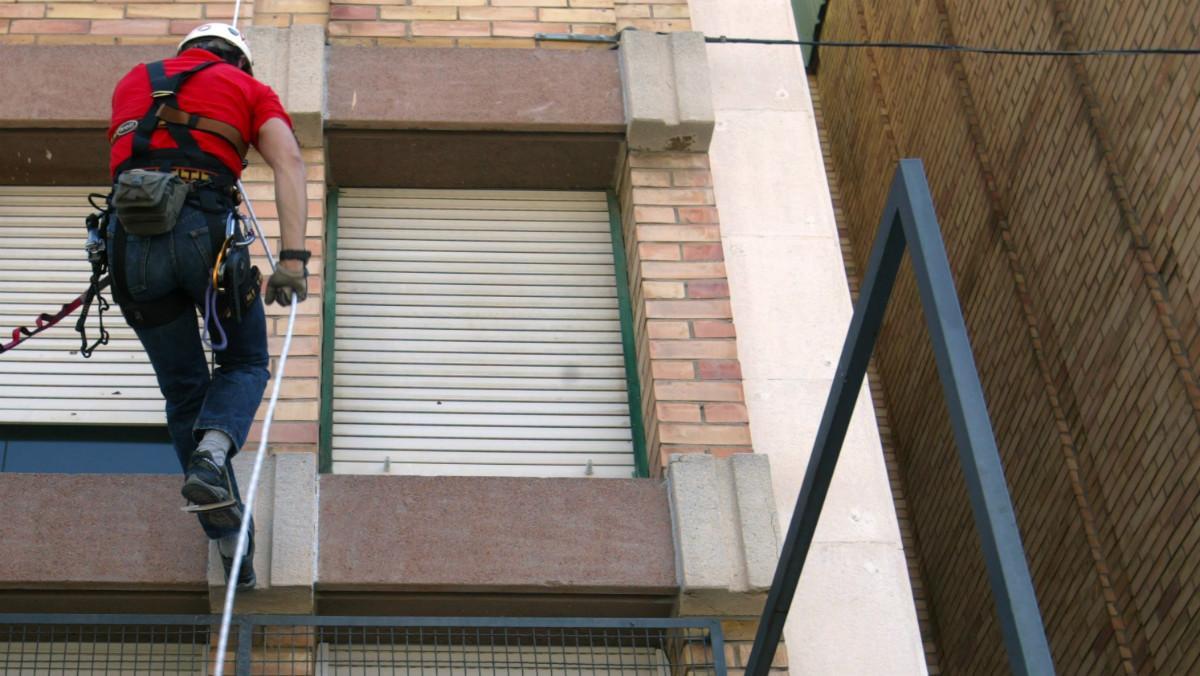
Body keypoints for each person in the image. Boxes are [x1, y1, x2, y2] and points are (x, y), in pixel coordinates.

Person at [106, 23, 309, 590]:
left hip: (130, 247)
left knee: (183, 389)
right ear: (239, 62)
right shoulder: (248, 88)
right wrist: (292, 260)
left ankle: (224, 535)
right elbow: (289, 162)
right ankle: (214, 455)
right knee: (244, 363)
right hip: (204, 233)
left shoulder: (134, 81)